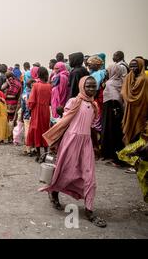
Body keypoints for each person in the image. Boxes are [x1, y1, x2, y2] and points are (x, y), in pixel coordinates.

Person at [41, 76, 107, 228]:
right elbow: (64, 123)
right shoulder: (74, 102)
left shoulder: (95, 105)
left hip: (86, 143)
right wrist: (55, 142)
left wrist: (95, 145)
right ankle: (54, 193)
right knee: (65, 172)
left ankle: (89, 211)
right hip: (71, 141)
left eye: (94, 86)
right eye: (88, 86)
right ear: (82, 86)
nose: (91, 89)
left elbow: (91, 127)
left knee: (90, 177)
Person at [100, 64, 125, 165]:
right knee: (117, 132)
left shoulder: (110, 83)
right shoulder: (122, 82)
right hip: (118, 108)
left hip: (110, 109)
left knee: (110, 132)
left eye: (108, 70)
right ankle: (117, 156)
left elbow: (112, 96)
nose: (106, 72)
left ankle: (112, 156)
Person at [26, 67, 51, 162]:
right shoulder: (49, 86)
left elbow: (31, 101)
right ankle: (45, 153)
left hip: (37, 110)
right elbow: (50, 101)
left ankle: (38, 155)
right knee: (45, 130)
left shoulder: (35, 86)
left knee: (36, 130)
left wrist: (30, 108)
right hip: (45, 111)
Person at [121, 58, 148, 146]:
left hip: (140, 109)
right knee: (129, 129)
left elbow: (142, 96)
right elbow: (123, 92)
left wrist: (128, 97)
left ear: (140, 66)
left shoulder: (143, 79)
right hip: (129, 109)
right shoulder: (129, 77)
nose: (132, 68)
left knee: (138, 130)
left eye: (135, 66)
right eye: (131, 66)